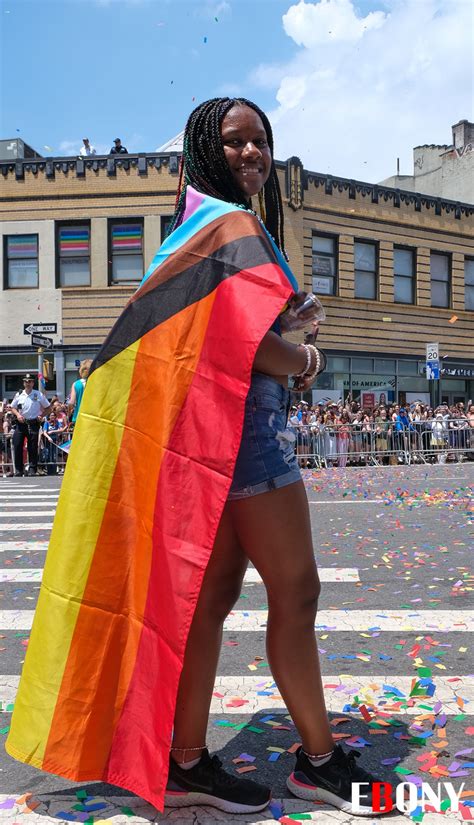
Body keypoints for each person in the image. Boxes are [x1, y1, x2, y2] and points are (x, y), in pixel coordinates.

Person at [7, 98, 386, 818]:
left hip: (212, 445)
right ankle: (319, 760)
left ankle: (185, 762)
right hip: (245, 444)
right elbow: (235, 346)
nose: (252, 152)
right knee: (297, 592)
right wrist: (303, 356)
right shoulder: (230, 226)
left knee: (207, 603)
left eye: (261, 140)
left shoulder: (201, 228)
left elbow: (217, 329)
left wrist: (289, 321)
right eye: (236, 140)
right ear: (206, 150)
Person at [10, 375, 51, 476]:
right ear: (24, 383)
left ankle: (33, 469)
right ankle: (19, 470)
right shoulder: (19, 394)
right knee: (18, 445)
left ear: (33, 383)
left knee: (32, 447)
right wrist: (18, 415)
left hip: (33, 423)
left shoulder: (38, 394)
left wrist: (41, 416)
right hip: (21, 424)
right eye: (26, 382)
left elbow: (48, 408)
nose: (28, 384)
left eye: (30, 382)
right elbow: (12, 407)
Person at [68, 359, 93, 429]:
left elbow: (71, 403)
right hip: (93, 417)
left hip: (79, 417)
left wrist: (69, 412)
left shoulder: (76, 384)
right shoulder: (96, 383)